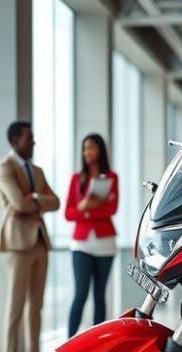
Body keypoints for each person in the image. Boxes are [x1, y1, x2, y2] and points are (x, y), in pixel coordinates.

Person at [0, 121, 60, 352]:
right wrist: (36, 198)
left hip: (40, 242)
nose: (33, 142)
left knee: (37, 306)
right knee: (15, 307)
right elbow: (19, 204)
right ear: (14, 141)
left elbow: (55, 201)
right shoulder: (4, 168)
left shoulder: (37, 170)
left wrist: (33, 197)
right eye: (28, 138)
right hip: (17, 243)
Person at [65, 134, 118, 336]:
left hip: (105, 243)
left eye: (92, 148)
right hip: (81, 245)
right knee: (80, 293)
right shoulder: (76, 179)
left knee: (99, 295)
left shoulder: (112, 177)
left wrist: (86, 210)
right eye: (85, 148)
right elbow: (68, 213)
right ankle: (68, 344)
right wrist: (87, 208)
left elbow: (111, 209)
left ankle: (98, 346)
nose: (87, 152)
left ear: (100, 150)